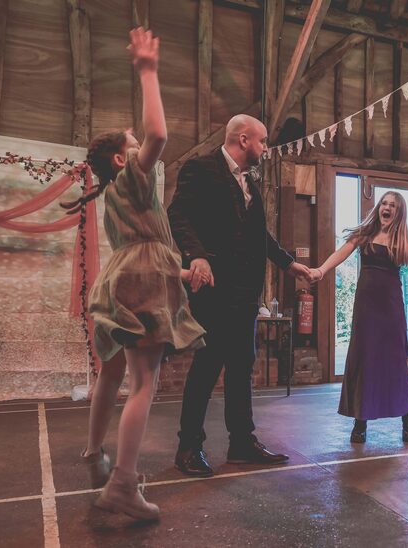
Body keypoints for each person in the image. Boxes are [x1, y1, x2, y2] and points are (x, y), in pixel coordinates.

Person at [63, 28, 206, 520]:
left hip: (125, 277)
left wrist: (182, 271)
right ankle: (123, 484)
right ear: (124, 159)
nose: (143, 147)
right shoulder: (132, 179)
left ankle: (92, 447)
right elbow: (161, 135)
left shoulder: (114, 196)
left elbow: (150, 247)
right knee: (145, 383)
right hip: (140, 278)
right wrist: (147, 70)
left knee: (114, 371)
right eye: (133, 143)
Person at [168, 114, 310, 477]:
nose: (265, 148)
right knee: (207, 366)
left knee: (241, 367)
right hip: (214, 289)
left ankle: (241, 443)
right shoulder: (200, 168)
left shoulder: (251, 181)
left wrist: (288, 264)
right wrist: (196, 255)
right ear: (244, 139)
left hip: (246, 292)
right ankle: (189, 447)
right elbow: (179, 214)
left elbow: (259, 233)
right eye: (262, 141)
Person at [308, 191, 408, 443]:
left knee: (396, 362)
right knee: (364, 360)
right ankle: (360, 422)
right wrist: (321, 270)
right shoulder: (364, 234)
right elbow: (341, 253)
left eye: (392, 205)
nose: (386, 207)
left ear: (399, 212)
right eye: (384, 203)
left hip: (391, 309)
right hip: (365, 308)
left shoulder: (405, 243)